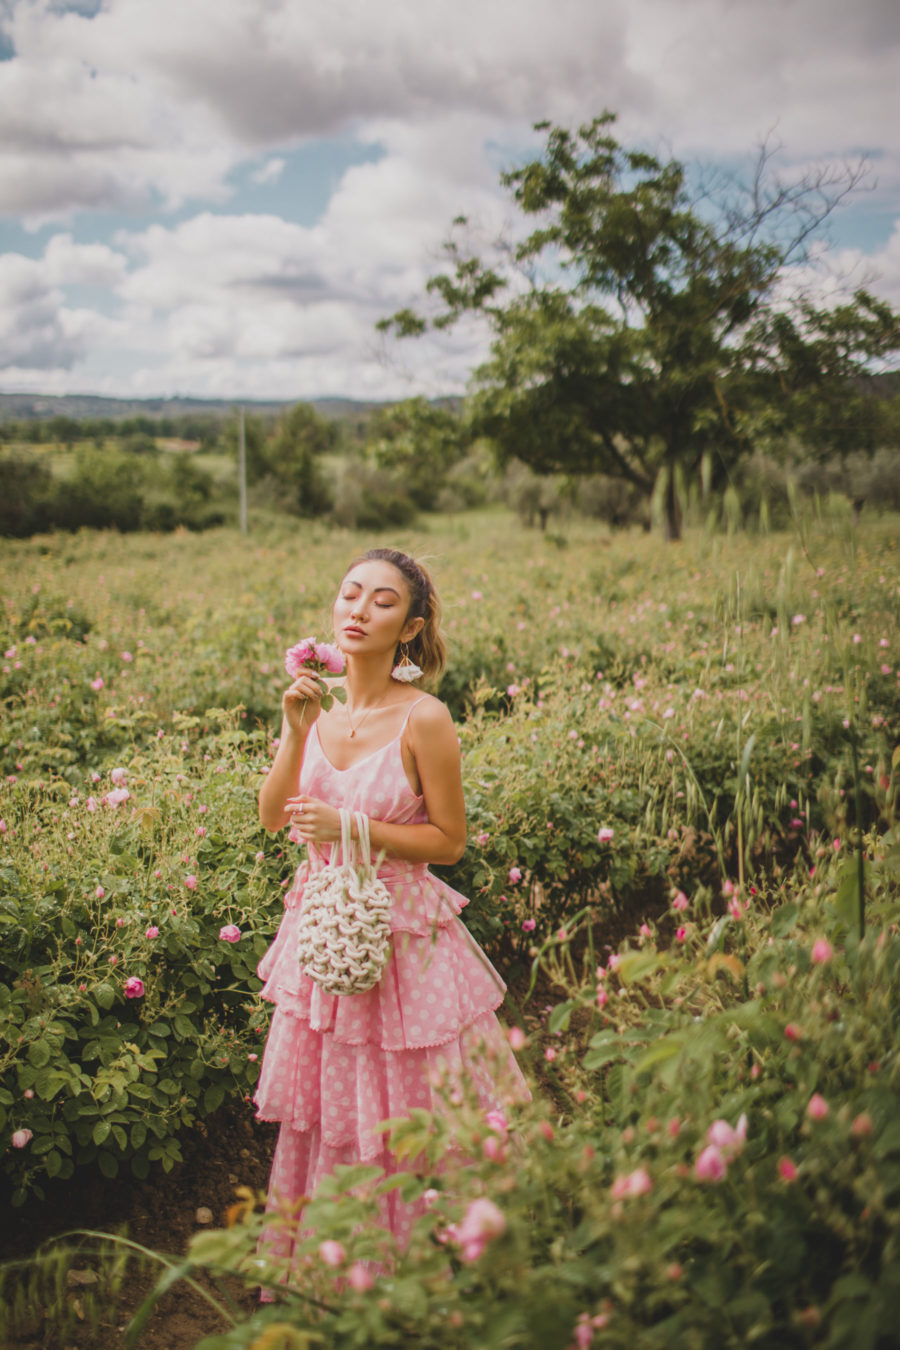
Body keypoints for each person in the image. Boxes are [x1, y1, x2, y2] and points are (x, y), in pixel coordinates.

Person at [254, 547, 530, 1266]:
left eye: (381, 601)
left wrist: (352, 828)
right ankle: (338, 1263)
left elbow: (449, 841)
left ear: (410, 627)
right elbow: (272, 817)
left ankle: (428, 1260)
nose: (357, 609)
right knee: (335, 1105)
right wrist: (292, 728)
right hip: (323, 932)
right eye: (349, 594)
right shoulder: (316, 709)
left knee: (408, 1099)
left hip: (402, 936)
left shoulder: (425, 719)